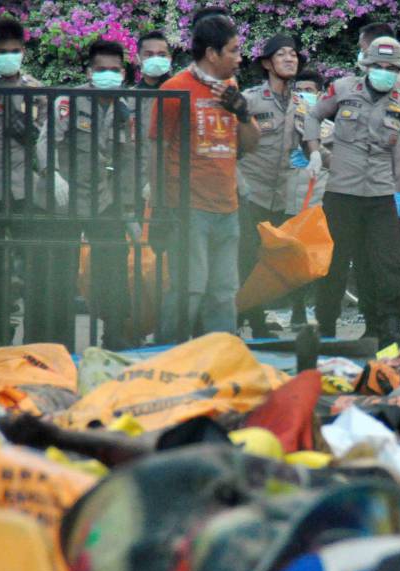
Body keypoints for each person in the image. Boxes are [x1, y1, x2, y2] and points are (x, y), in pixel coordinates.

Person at [303, 37, 400, 347]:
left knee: (388, 263)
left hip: (381, 194)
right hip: (342, 191)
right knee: (334, 263)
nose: (385, 72)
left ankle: (387, 330)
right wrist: (314, 151)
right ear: (366, 67)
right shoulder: (342, 89)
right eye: (379, 67)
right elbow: (313, 115)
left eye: (392, 68)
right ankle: (325, 328)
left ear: (398, 70)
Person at [149, 10, 259, 339]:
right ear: (212, 53)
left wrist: (242, 113)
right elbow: (155, 152)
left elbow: (251, 144)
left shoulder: (230, 87)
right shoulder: (174, 89)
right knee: (189, 289)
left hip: (227, 205)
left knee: (225, 291)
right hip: (188, 209)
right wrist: (159, 208)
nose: (239, 58)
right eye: (234, 50)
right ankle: (169, 355)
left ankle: (220, 358)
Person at [0, 17, 66, 347]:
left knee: (33, 264)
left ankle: (35, 335)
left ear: (23, 51)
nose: (8, 56)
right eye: (1, 51)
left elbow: (45, 138)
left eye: (14, 50)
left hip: (26, 190)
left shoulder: (35, 89)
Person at [52, 39, 141, 349]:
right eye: (101, 70)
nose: (108, 76)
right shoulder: (69, 101)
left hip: (107, 199)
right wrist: (52, 174)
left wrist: (131, 202)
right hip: (67, 196)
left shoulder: (125, 108)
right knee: (61, 270)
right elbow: (46, 141)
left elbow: (131, 157)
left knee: (113, 269)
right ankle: (58, 342)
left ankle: (114, 335)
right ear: (90, 71)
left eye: (115, 70)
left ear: (123, 73)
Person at [356, 22, 400, 341]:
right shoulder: (364, 83)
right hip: (369, 183)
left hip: (394, 185)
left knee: (398, 258)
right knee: (370, 256)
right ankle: (377, 325)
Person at [236, 33, 303, 338]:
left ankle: (255, 316)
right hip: (251, 191)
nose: (290, 59)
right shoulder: (250, 99)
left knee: (269, 262)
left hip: (284, 196)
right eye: (281, 55)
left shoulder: (302, 103)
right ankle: (249, 320)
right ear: (267, 63)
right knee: (246, 257)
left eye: (293, 54)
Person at [286, 67, 331, 327]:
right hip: (290, 202)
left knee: (320, 259)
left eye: (309, 91)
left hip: (319, 204)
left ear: (321, 94)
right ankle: (297, 310)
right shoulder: (286, 126)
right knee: (293, 261)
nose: (303, 96)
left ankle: (322, 310)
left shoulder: (331, 130)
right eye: (299, 91)